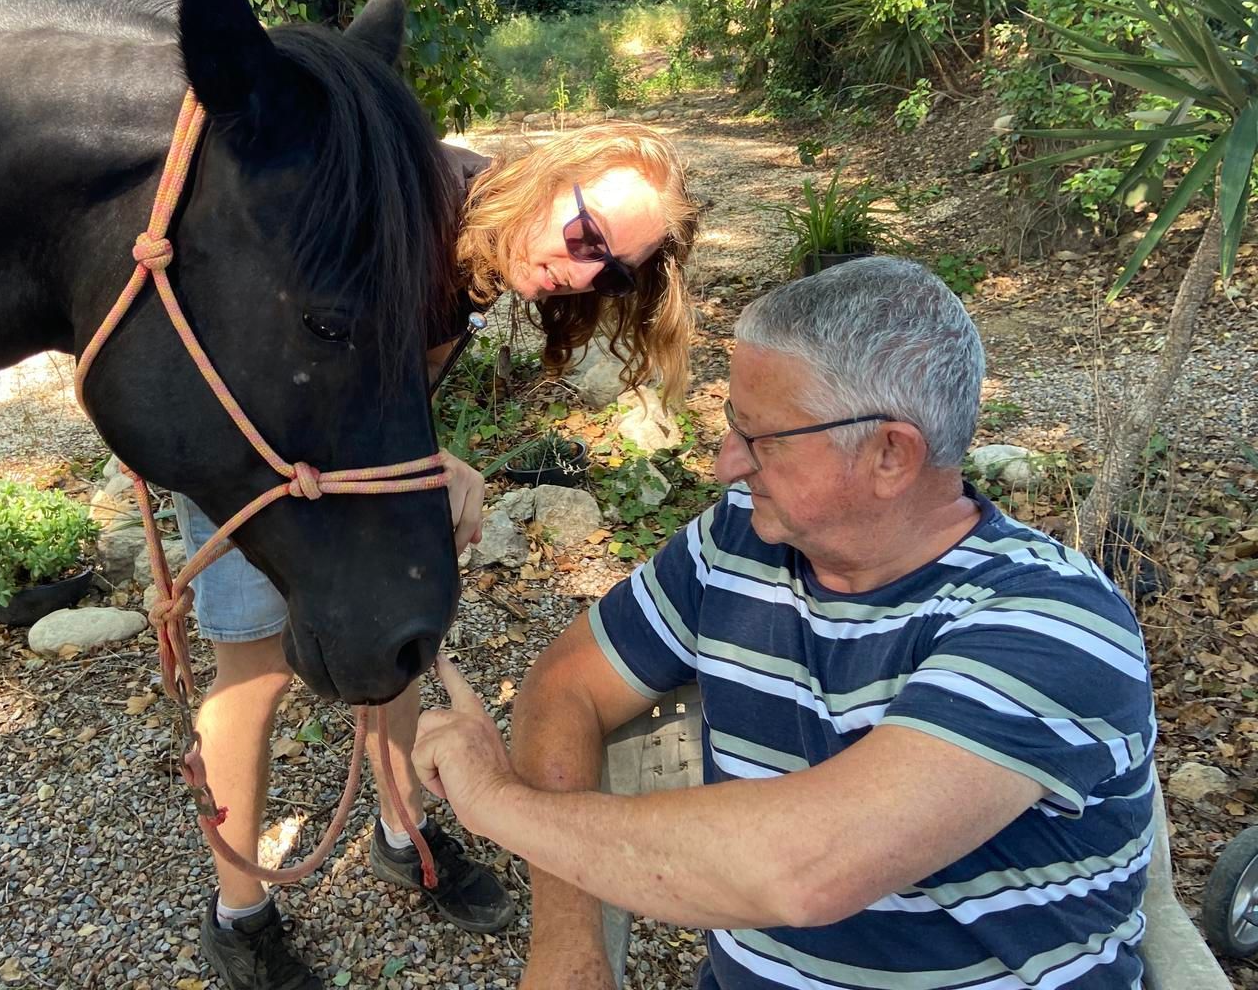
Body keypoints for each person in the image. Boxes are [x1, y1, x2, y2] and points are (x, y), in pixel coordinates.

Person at [413, 257, 1156, 990]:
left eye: (759, 438)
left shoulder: (1052, 624)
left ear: (890, 454)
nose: (725, 464)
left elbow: (807, 868)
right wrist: (570, 951)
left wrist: (496, 802)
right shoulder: (739, 541)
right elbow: (567, 683)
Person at [175, 121, 701, 990]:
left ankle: (401, 832)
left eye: (609, 274)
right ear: (549, 177)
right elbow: (262, 338)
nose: (579, 276)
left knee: (398, 640)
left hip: (348, 458)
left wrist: (426, 460)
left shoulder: (486, 246)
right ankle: (241, 915)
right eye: (585, 241)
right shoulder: (400, 201)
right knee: (256, 669)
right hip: (236, 445)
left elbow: (390, 382)